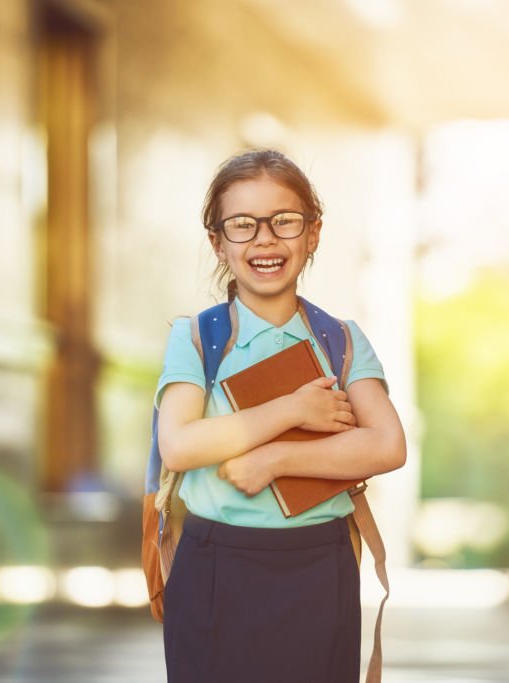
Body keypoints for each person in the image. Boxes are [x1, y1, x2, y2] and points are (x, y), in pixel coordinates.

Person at [155, 149, 407, 682]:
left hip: (320, 564)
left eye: (284, 221)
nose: (265, 239)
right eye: (243, 225)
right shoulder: (197, 339)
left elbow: (387, 445)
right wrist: (291, 409)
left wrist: (277, 459)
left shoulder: (340, 340)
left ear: (313, 234)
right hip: (214, 565)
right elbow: (178, 444)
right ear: (217, 242)